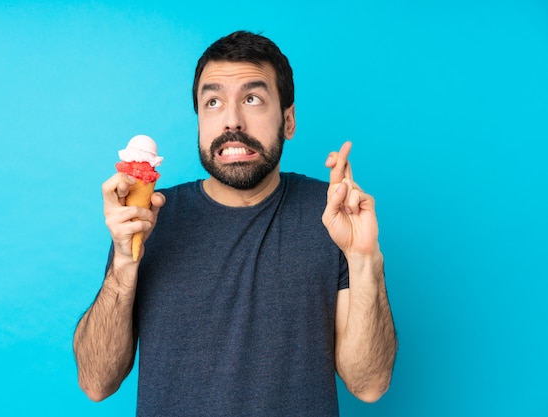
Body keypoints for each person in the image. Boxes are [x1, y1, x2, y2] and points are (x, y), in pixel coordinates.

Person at [73, 30, 397, 416]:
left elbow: (370, 384)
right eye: (213, 102)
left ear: (288, 120)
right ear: (199, 120)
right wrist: (124, 264)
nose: (232, 121)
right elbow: (95, 383)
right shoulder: (148, 220)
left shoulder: (331, 214)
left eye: (252, 99)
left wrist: (364, 259)